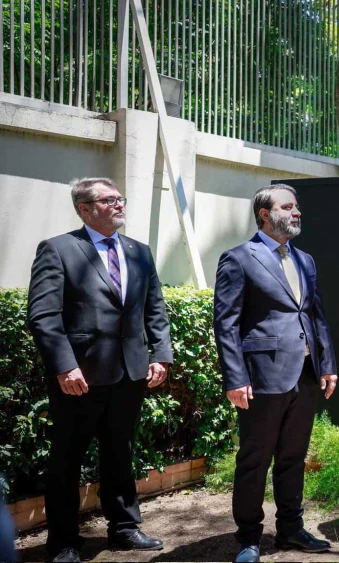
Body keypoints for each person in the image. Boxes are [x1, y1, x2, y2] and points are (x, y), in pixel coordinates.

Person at [27, 178, 172, 563]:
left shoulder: (139, 252)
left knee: (119, 453)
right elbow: (43, 315)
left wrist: (160, 354)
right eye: (109, 200)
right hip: (79, 379)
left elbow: (154, 309)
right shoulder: (58, 249)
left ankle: (124, 528)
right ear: (85, 209)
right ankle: (64, 541)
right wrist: (64, 366)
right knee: (67, 459)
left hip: (130, 373)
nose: (119, 204)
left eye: (120, 198)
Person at [213, 184, 339, 563]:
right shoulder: (238, 258)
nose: (296, 211)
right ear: (265, 214)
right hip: (262, 376)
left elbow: (315, 316)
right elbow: (226, 323)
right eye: (288, 206)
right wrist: (234, 377)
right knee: (255, 458)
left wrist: (327, 364)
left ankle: (290, 530)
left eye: (297, 206)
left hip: (304, 372)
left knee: (292, 456)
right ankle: (249, 537)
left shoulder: (306, 260)